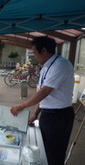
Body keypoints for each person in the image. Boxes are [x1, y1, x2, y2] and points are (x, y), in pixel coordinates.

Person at [10, 36, 75, 165]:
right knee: (44, 149)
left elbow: (45, 92)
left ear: (44, 51)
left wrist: (22, 105)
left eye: (35, 52)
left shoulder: (61, 65)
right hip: (48, 114)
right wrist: (35, 114)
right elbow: (43, 94)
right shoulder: (46, 66)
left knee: (54, 153)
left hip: (59, 116)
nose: (34, 56)